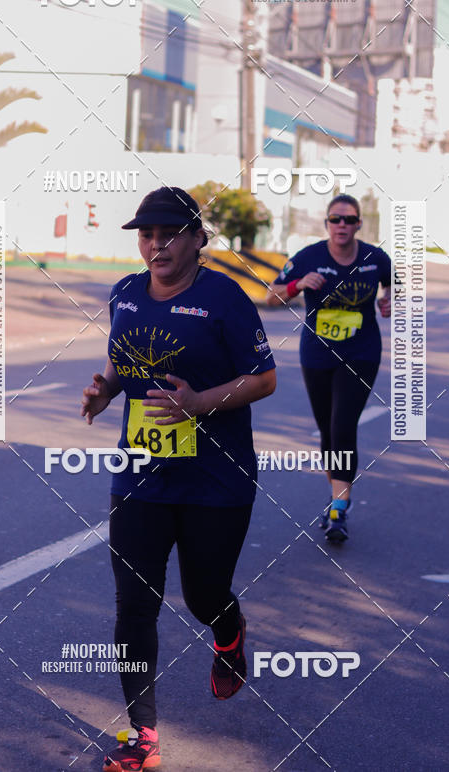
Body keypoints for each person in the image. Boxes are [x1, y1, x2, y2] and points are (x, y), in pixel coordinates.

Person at [81, 186, 276, 772]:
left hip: (217, 480)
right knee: (133, 607)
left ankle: (230, 631)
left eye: (169, 234)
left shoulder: (225, 299)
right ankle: (143, 736)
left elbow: (263, 378)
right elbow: (121, 360)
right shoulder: (125, 294)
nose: (156, 245)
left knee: (203, 594)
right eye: (146, 234)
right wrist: (105, 390)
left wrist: (200, 403)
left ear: (197, 240)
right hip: (140, 474)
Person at [267, 194, 391, 542]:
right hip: (318, 354)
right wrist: (298, 285)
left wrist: (388, 298)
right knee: (326, 428)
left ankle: (339, 507)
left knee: (342, 424)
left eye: (349, 220)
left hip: (362, 352)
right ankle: (337, 496)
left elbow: (394, 281)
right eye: (335, 219)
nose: (341, 226)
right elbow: (270, 296)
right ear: (327, 223)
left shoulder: (374, 257)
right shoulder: (309, 258)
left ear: (358, 225)